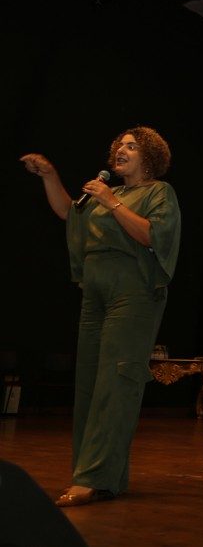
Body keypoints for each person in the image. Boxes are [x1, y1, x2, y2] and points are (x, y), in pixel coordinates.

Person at [20, 126, 181, 507]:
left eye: (131, 146)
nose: (121, 150)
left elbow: (152, 235)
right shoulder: (108, 193)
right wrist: (50, 175)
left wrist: (111, 203)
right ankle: (97, 475)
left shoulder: (158, 192)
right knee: (90, 383)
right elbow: (69, 212)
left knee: (116, 382)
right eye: (119, 146)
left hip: (133, 292)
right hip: (94, 294)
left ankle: (95, 478)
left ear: (149, 157)